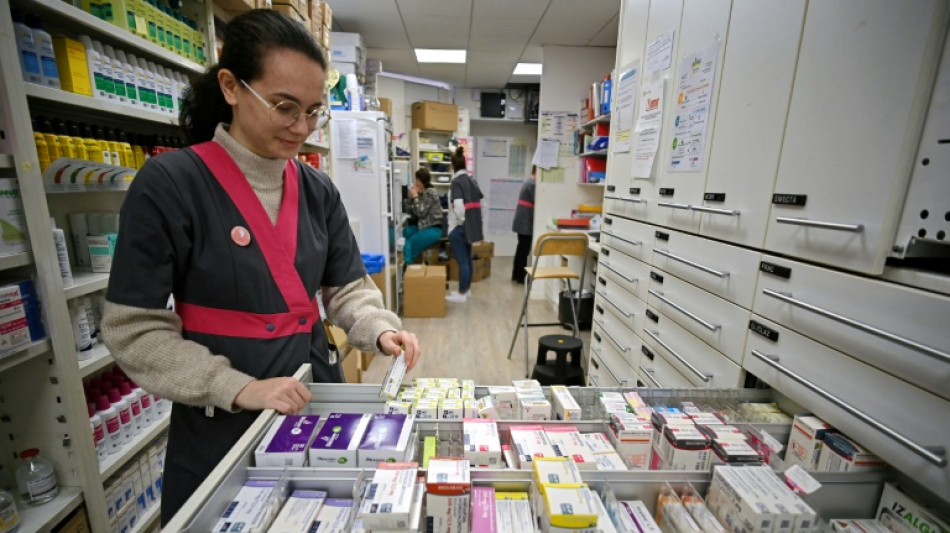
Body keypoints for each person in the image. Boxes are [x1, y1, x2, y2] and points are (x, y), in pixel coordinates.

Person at [100, 10, 420, 525]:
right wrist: (238, 388)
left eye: (314, 112)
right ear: (231, 86)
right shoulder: (171, 183)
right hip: (218, 420)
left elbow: (347, 290)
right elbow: (132, 330)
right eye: (284, 107)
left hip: (315, 400)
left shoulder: (317, 190)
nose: (301, 127)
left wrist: (381, 331)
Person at [446, 146, 484, 303]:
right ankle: (466, 291)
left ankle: (461, 294)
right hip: (470, 227)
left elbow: (459, 206)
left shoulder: (456, 182)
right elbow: (481, 203)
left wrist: (460, 222)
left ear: (453, 166)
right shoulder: (472, 181)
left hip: (458, 227)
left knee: (462, 260)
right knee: (467, 259)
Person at [401, 167, 444, 267]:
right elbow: (410, 210)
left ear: (420, 181)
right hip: (423, 226)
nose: (415, 182)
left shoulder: (431, 193)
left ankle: (407, 267)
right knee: (405, 233)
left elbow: (421, 212)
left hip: (433, 229)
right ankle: (404, 261)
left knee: (410, 243)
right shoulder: (421, 193)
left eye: (416, 180)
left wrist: (415, 196)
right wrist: (410, 198)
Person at [511, 165, 536, 283]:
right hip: (525, 222)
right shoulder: (532, 184)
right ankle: (520, 276)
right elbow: (538, 200)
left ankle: (516, 274)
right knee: (524, 250)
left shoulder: (528, 182)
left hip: (522, 221)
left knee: (521, 248)